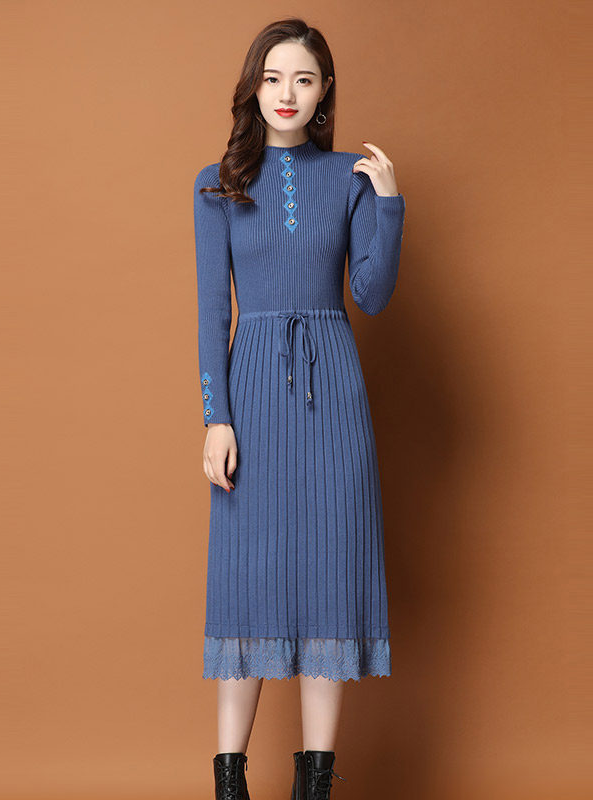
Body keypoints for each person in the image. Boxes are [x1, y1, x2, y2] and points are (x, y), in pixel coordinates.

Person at [193, 18, 405, 800]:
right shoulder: (217, 184)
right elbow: (213, 311)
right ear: (255, 85)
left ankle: (315, 787)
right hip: (251, 391)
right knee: (246, 586)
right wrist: (216, 417)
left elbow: (371, 296)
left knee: (328, 584)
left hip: (334, 398)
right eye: (274, 77)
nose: (287, 93)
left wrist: (390, 203)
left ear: (323, 93)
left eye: (304, 79)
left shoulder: (352, 176)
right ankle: (230, 785)